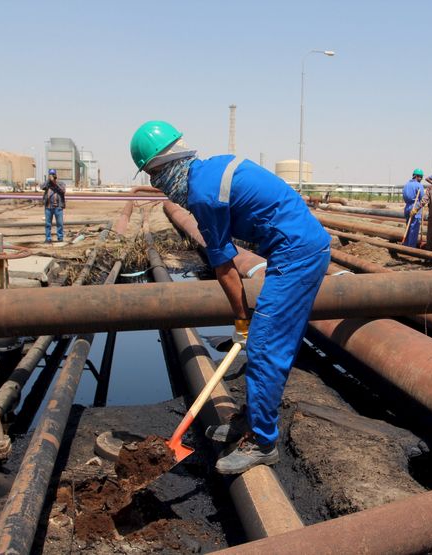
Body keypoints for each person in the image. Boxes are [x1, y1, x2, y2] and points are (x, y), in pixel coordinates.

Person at [130, 121, 331, 474]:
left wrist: (242, 320)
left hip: (298, 253)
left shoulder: (203, 196)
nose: (156, 185)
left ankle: (263, 442)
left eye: (153, 175)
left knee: (266, 344)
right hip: (294, 247)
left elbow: (225, 268)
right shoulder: (207, 172)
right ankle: (250, 419)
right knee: (264, 341)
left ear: (166, 166)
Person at [402, 168, 425, 247]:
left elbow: (404, 197)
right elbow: (423, 198)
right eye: (420, 177)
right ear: (417, 176)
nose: (421, 179)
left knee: (408, 226)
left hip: (407, 207)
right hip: (416, 208)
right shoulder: (419, 185)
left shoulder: (406, 185)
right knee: (414, 228)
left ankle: (406, 244)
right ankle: (411, 246)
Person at [41, 169, 65, 243]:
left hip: (58, 207)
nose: (52, 176)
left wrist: (54, 182)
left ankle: (60, 238)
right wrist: (49, 180)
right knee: (48, 224)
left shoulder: (60, 183)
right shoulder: (47, 184)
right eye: (51, 175)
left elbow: (63, 190)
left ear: (56, 175)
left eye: (53, 174)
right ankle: (48, 238)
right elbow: (42, 187)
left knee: (60, 223)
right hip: (48, 207)